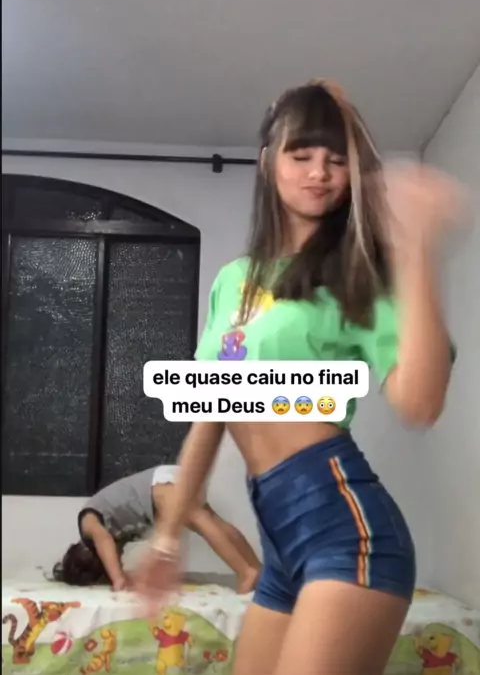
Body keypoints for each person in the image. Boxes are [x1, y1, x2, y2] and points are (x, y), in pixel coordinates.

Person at [133, 79, 461, 675]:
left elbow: (421, 402)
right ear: (268, 163)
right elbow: (212, 411)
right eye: (301, 154)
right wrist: (168, 535)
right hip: (279, 540)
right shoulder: (234, 280)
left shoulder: (359, 276)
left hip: (344, 526)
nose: (319, 173)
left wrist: (415, 250)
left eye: (336, 159)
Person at [53, 464, 261, 594]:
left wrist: (118, 580)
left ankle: (245, 572)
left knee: (201, 520)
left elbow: (104, 542)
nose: (118, 556)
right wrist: (123, 575)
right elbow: (112, 549)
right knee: (213, 522)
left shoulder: (88, 524)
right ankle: (257, 569)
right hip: (166, 481)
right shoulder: (112, 533)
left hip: (159, 487)